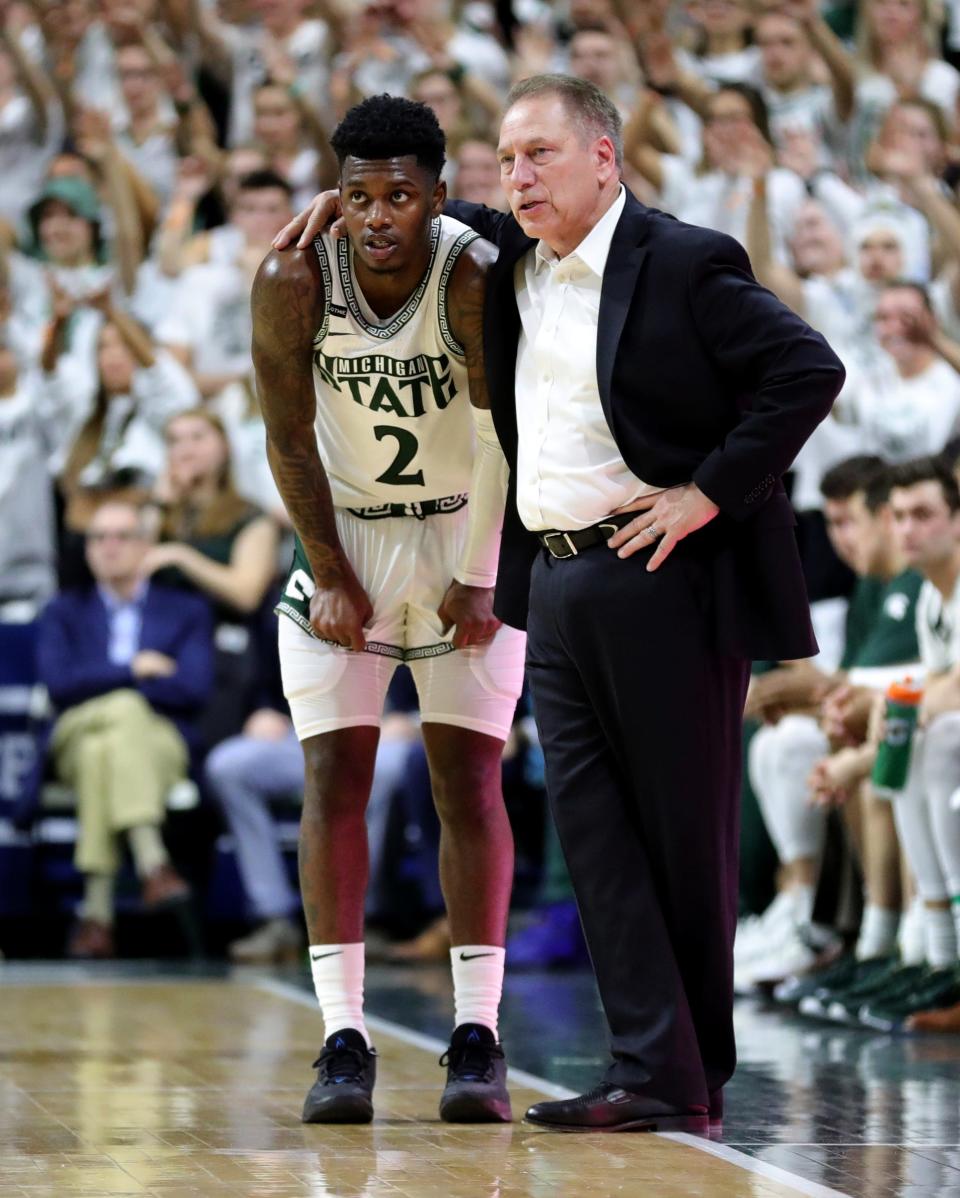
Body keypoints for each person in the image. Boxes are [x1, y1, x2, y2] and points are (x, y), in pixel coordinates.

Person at [277, 71, 845, 1134]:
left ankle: (695, 1075)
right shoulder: (511, 257)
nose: (518, 174)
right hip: (556, 582)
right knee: (595, 840)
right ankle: (646, 1069)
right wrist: (330, 203)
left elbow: (807, 368)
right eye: (508, 156)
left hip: (662, 575)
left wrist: (709, 490)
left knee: (681, 837)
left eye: (540, 153)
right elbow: (412, 196)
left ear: (604, 157)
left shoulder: (683, 260)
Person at [252, 95, 525, 1126]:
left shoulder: (469, 275)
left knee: (469, 777)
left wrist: (483, 572)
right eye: (359, 194)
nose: (377, 216)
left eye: (400, 195)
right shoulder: (290, 275)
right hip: (351, 532)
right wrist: (328, 570)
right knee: (335, 776)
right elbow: (287, 438)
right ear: (334, 193)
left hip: (468, 525)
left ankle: (478, 1035)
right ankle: (344, 1038)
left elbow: (503, 438)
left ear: (438, 197)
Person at [36, 499, 213, 958]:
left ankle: (96, 916)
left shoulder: (185, 610)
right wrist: (134, 670)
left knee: (107, 748)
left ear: (145, 545)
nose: (109, 547)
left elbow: (194, 687)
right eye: (99, 538)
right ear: (87, 549)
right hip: (73, 732)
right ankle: (153, 863)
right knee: (123, 708)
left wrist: (112, 686)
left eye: (122, 536)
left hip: (159, 740)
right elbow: (58, 686)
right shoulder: (62, 610)